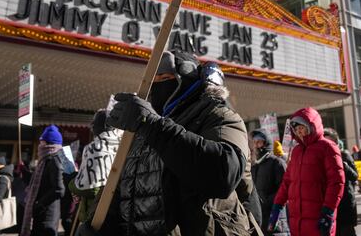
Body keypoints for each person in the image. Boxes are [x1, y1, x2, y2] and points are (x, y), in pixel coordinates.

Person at [79, 50, 260, 235]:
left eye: (165, 77)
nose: (157, 85)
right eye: (154, 80)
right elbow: (120, 188)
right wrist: (96, 224)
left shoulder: (218, 115)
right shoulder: (141, 128)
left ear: (186, 78)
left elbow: (224, 174)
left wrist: (153, 125)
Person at [267, 107, 344, 236]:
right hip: (297, 219)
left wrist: (328, 210)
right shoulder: (296, 151)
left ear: (311, 126)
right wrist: (277, 206)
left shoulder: (328, 147)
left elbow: (336, 182)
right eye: (296, 130)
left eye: (302, 127)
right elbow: (287, 181)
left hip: (319, 215)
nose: (299, 132)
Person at [70, 109, 122, 226]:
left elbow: (89, 187)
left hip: (96, 214)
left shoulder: (94, 148)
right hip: (118, 212)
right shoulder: (122, 146)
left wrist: (71, 184)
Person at [21, 124, 65, 236]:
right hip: (41, 213)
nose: (39, 145)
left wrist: (39, 204)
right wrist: (23, 171)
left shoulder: (54, 160)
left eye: (41, 142)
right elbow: (39, 184)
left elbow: (59, 189)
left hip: (47, 216)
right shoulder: (44, 160)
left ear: (47, 143)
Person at [250, 128, 286, 233]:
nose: (256, 145)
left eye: (259, 142)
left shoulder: (277, 163)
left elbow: (284, 189)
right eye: (254, 142)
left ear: (266, 143)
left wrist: (265, 201)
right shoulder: (254, 165)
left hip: (274, 216)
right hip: (258, 216)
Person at [324, 128, 358, 236]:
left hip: (346, 203)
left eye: (329, 142)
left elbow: (355, 176)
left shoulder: (344, 155)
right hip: (331, 205)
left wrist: (344, 166)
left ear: (336, 143)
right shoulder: (321, 158)